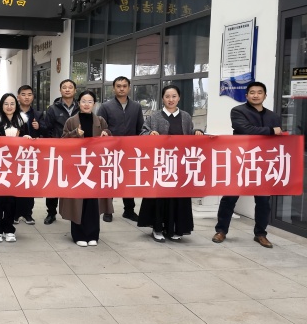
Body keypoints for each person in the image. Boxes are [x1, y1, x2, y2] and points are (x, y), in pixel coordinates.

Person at [212, 81, 283, 249]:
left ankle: (261, 234)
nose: (256, 95)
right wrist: (271, 131)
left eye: (259, 92)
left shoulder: (273, 116)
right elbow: (245, 130)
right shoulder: (238, 111)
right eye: (252, 92)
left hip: (264, 163)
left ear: (265, 95)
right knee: (230, 197)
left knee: (263, 201)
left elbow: (278, 138)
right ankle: (221, 230)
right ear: (246, 95)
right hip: (241, 160)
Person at [138, 85, 204, 242]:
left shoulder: (185, 116)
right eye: (167, 96)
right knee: (159, 197)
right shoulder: (154, 116)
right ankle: (157, 228)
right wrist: (150, 133)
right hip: (160, 164)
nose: (171, 99)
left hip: (180, 164)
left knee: (178, 197)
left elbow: (190, 133)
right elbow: (142, 133)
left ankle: (175, 228)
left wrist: (197, 132)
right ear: (162, 98)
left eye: (174, 96)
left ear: (179, 98)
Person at [59, 91, 110, 247]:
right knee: (78, 203)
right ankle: (78, 235)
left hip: (94, 167)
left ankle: (93, 234)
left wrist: (106, 134)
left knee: (92, 203)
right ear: (78, 103)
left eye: (90, 101)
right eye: (83, 101)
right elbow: (63, 141)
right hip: (77, 167)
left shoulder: (100, 120)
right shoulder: (71, 121)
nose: (86, 104)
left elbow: (109, 137)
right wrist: (75, 133)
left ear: (94, 104)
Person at [0, 93, 31, 243]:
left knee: (12, 200)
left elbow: (29, 142)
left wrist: (27, 139)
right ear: (1, 106)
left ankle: (9, 229)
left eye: (12, 104)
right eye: (6, 104)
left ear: (16, 106)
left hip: (15, 166)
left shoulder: (22, 122)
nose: (9, 107)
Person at [97, 76, 144, 222]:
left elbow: (140, 128)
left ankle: (129, 210)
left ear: (129, 88)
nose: (121, 88)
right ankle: (107, 210)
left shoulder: (136, 107)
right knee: (110, 180)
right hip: (111, 150)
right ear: (113, 89)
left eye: (124, 86)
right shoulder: (105, 107)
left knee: (128, 180)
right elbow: (100, 127)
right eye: (118, 86)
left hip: (130, 150)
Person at [43, 79, 79, 224]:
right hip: (58, 151)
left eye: (70, 87)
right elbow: (47, 129)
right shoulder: (53, 109)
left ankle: (74, 212)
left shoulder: (81, 107)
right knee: (54, 182)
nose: (67, 89)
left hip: (76, 152)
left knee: (74, 181)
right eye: (64, 87)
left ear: (75, 90)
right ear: (60, 90)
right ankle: (51, 213)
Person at [15, 84, 46, 224]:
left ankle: (28, 213)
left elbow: (46, 131)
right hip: (16, 154)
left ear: (33, 97)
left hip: (32, 154)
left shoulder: (38, 114)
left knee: (29, 183)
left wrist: (39, 127)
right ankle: (15, 213)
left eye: (29, 94)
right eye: (23, 94)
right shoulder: (13, 112)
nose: (26, 97)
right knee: (16, 182)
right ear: (18, 97)